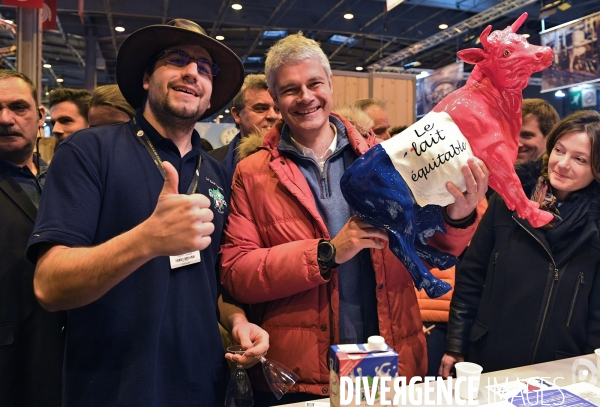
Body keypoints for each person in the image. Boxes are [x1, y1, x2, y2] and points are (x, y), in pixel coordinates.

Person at [219, 32, 489, 405]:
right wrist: (326, 253)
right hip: (301, 376)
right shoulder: (251, 173)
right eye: (290, 89)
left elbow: (432, 251)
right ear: (276, 99)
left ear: (331, 84)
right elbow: (237, 272)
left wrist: (458, 216)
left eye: (314, 83)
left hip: (389, 359)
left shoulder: (391, 158)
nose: (306, 97)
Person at [27, 19, 268, 406]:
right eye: (177, 60)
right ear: (145, 78)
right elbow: (49, 285)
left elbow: (212, 284)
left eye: (205, 69)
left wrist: (237, 321)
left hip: (203, 385)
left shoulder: (216, 171)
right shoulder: (91, 152)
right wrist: (147, 240)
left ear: (209, 99)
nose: (192, 72)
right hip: (113, 388)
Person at [440, 110, 600, 378]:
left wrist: (591, 366)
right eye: (559, 150)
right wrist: (456, 344)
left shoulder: (594, 224)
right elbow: (472, 274)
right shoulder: (510, 198)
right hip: (490, 354)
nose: (562, 164)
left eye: (579, 159)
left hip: (561, 366)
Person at [0, 69, 66, 407]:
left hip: (62, 355)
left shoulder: (58, 177)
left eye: (18, 107)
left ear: (41, 116)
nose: (5, 119)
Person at [209, 73, 280, 178]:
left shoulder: (300, 159)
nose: (273, 116)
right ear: (237, 114)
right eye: (261, 108)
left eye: (277, 109)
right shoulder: (209, 163)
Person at [517, 98, 559, 163]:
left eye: (526, 135)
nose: (518, 144)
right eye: (511, 137)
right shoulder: (499, 170)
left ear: (549, 138)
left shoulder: (559, 171)